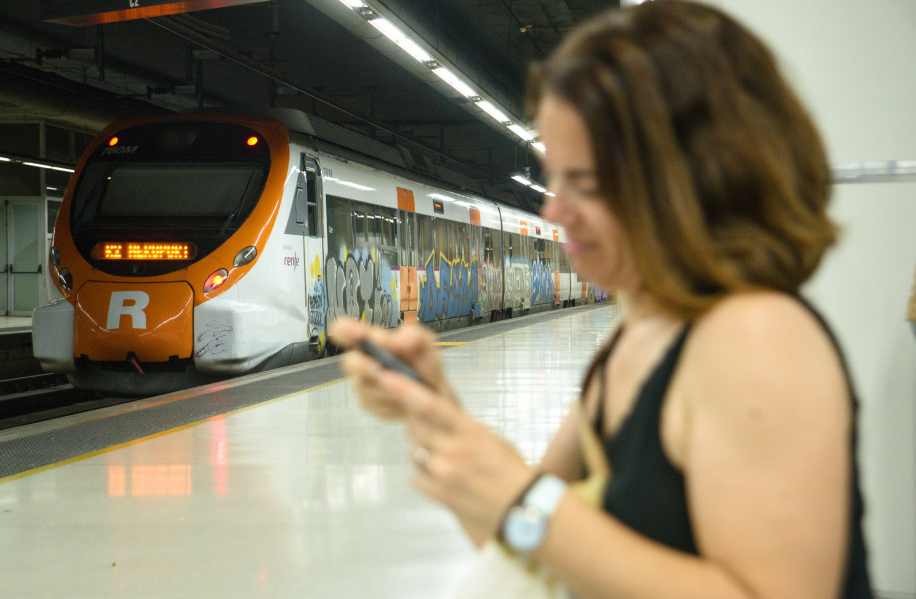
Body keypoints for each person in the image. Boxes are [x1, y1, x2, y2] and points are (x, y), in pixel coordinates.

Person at [329, 1, 873, 597]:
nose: (556, 212)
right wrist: (434, 413)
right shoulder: (640, 333)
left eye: (584, 185)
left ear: (694, 177)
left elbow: (534, 521)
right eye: (554, 179)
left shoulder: (759, 338)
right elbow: (525, 545)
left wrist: (520, 501)